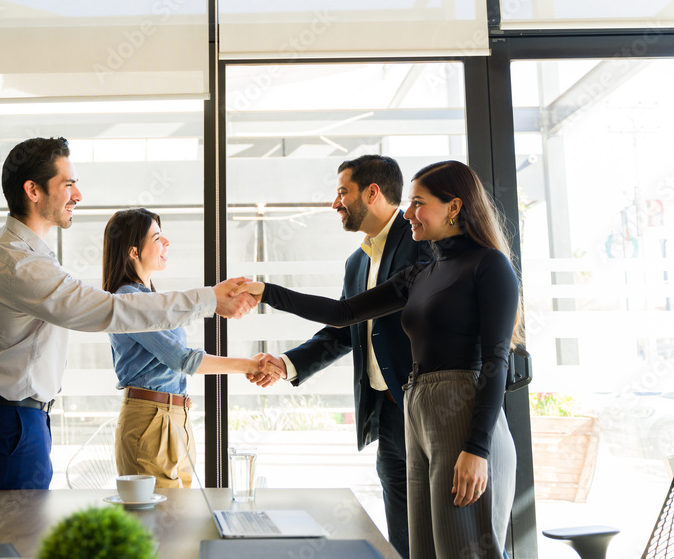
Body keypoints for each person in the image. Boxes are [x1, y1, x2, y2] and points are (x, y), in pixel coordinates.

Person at [241, 160, 520, 559]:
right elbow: (342, 314)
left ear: (454, 207)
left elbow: (495, 361)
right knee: (419, 548)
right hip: (415, 407)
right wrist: (264, 291)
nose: (408, 213)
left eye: (418, 203)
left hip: (462, 408)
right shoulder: (420, 273)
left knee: (465, 550)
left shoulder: (489, 265)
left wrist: (477, 449)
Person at [0, 137, 258, 498]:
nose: (78, 195)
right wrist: (210, 299)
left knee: (17, 538)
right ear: (33, 190)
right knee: (16, 542)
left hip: (17, 417)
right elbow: (111, 311)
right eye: (68, 184)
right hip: (13, 420)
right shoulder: (20, 262)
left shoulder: (10, 248)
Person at [248, 154, 428, 558]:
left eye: (342, 192)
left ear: (373, 192)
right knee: (401, 540)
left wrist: (267, 292)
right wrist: (287, 364)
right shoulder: (357, 261)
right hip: (384, 414)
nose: (335, 203)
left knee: (443, 533)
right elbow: (345, 329)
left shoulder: (419, 243)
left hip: (425, 410)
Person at [103, 208, 265, 488]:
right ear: (133, 252)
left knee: (180, 517)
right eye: (157, 238)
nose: (166, 243)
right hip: (151, 419)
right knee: (162, 523)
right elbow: (180, 360)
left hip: (175, 415)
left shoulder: (152, 300)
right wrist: (248, 365)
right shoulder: (128, 299)